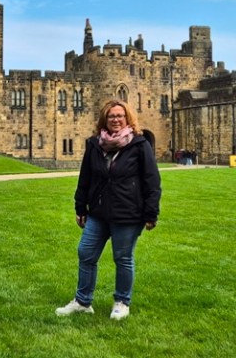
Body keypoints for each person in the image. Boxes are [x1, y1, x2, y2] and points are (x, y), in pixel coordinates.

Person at [56, 99, 162, 321]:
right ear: (104, 119)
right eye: (111, 116)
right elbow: (85, 178)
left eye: (119, 115)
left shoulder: (139, 144)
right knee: (86, 253)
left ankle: (122, 302)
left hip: (128, 213)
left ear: (127, 118)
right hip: (98, 212)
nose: (115, 119)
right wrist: (80, 207)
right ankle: (83, 302)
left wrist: (151, 213)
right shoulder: (95, 144)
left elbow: (152, 181)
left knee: (122, 258)